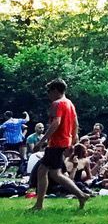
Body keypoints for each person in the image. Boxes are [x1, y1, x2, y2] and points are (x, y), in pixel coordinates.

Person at [31, 79, 93, 210]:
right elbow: (76, 123)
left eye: (49, 91)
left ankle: (81, 195)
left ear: (55, 90)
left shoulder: (57, 103)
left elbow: (56, 123)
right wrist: (73, 140)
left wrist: (42, 141)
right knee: (45, 171)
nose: (48, 94)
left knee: (54, 173)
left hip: (56, 143)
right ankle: (39, 204)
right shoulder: (70, 103)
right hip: (64, 142)